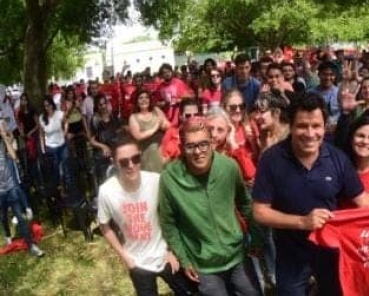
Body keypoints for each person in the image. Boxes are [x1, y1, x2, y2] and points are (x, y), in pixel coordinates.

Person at [251, 93, 369, 295]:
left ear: (325, 127)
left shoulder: (337, 158)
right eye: (302, 126)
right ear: (290, 126)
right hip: (291, 254)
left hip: (330, 252)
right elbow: (260, 212)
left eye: (316, 126)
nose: (310, 133)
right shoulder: (272, 159)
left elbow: (363, 200)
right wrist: (302, 222)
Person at [159, 117, 261, 296]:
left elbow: (244, 204)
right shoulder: (169, 179)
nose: (198, 152)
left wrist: (257, 238)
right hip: (203, 264)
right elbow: (169, 223)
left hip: (236, 254)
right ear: (182, 148)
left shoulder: (228, 167)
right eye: (191, 146)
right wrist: (184, 259)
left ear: (212, 143)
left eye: (203, 144)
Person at [97, 133, 194, 296]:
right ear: (114, 163)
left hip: (165, 254)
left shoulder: (156, 181)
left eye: (135, 159)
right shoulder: (107, 191)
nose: (131, 165)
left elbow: (172, 217)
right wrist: (125, 257)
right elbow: (104, 225)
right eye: (123, 161)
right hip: (137, 261)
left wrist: (171, 250)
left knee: (190, 291)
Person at [0, 121, 44, 257]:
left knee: (20, 217)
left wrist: (4, 137)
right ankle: (7, 234)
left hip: (11, 187)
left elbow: (13, 156)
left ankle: (31, 246)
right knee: (2, 216)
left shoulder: (3, 143)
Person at [128, 90, 170, 173]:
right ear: (136, 101)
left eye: (146, 97)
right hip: (147, 157)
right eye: (141, 98)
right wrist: (156, 127)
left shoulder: (156, 110)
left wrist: (163, 125)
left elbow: (168, 125)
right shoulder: (133, 117)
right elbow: (138, 136)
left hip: (163, 153)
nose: (144, 100)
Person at [39, 95, 69, 187]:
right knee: (56, 169)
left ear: (52, 104)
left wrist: (64, 132)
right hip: (51, 148)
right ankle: (59, 188)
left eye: (49, 105)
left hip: (62, 145)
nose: (47, 107)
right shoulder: (42, 118)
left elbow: (66, 122)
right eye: (45, 106)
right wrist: (43, 150)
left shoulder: (59, 113)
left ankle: (69, 186)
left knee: (66, 166)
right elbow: (41, 135)